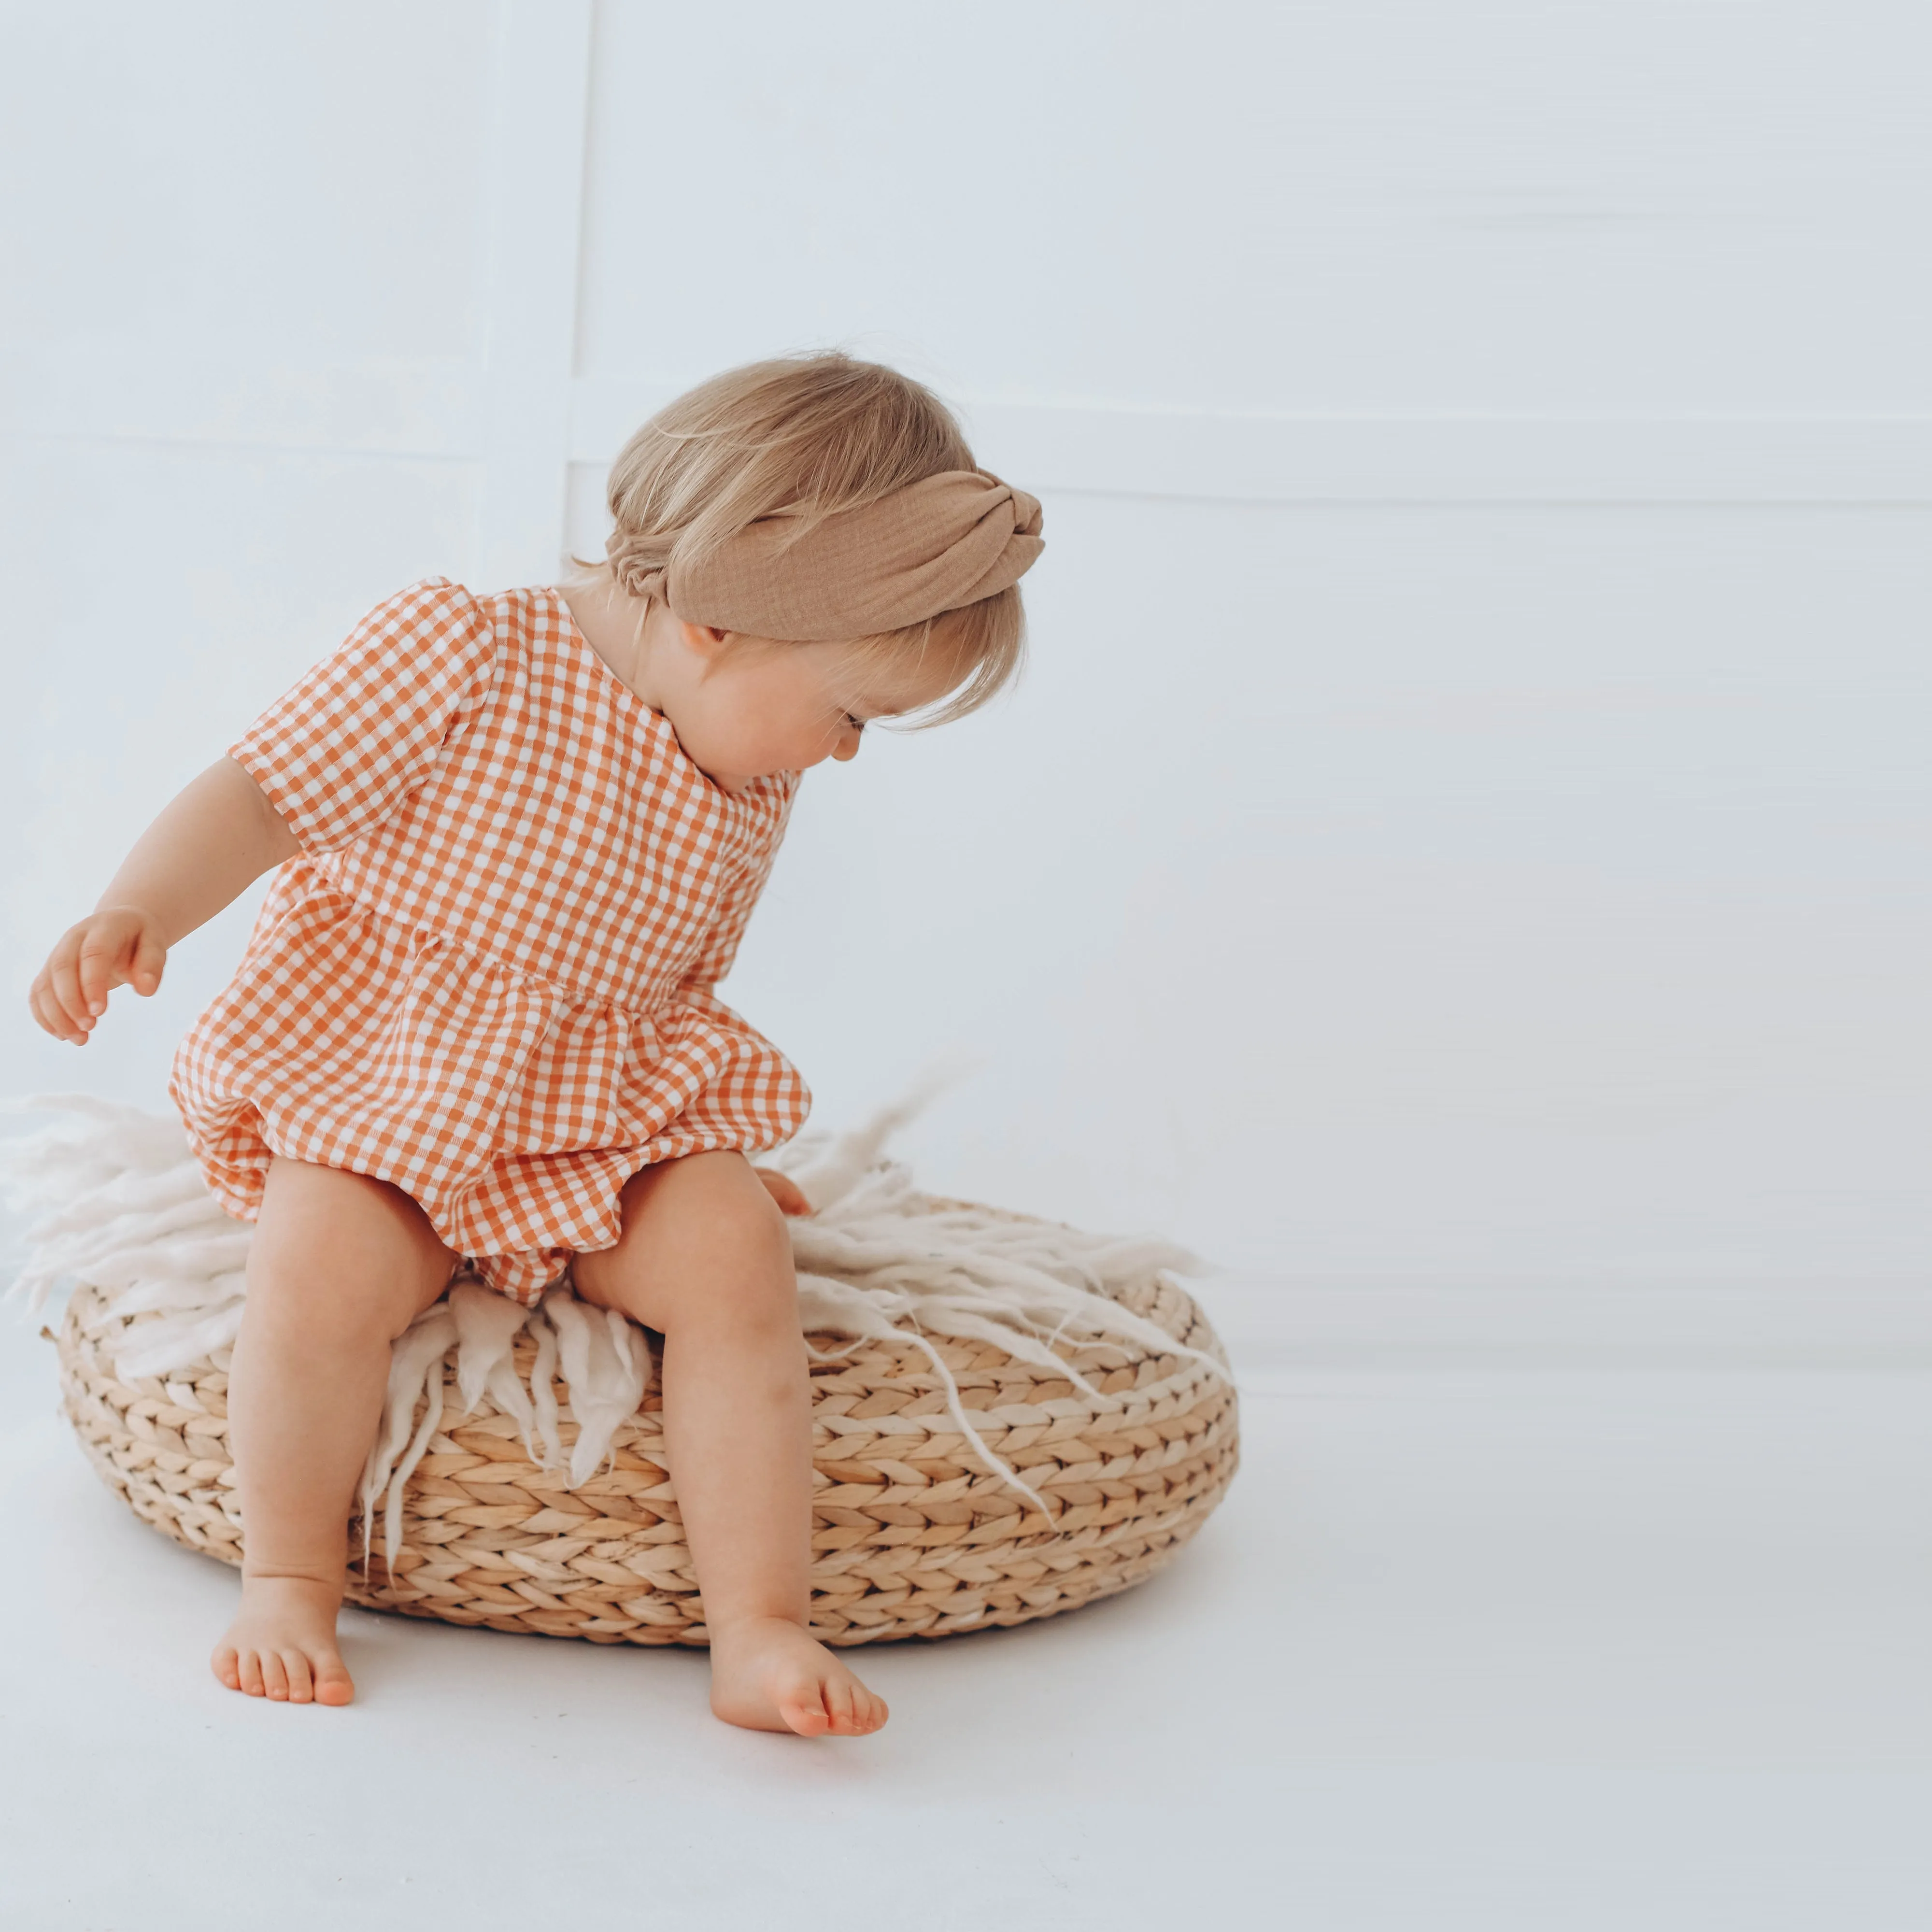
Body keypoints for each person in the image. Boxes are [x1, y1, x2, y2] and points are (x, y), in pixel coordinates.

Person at [27, 353, 1043, 1734]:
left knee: (737, 1256)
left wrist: (703, 1160)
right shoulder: (464, 653)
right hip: (391, 1094)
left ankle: (758, 1628)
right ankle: (288, 1577)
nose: (849, 752)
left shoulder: (740, 764)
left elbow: (667, 1000)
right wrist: (140, 906)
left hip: (590, 1121)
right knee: (318, 1261)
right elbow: (263, 796)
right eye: (854, 711)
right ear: (724, 625)